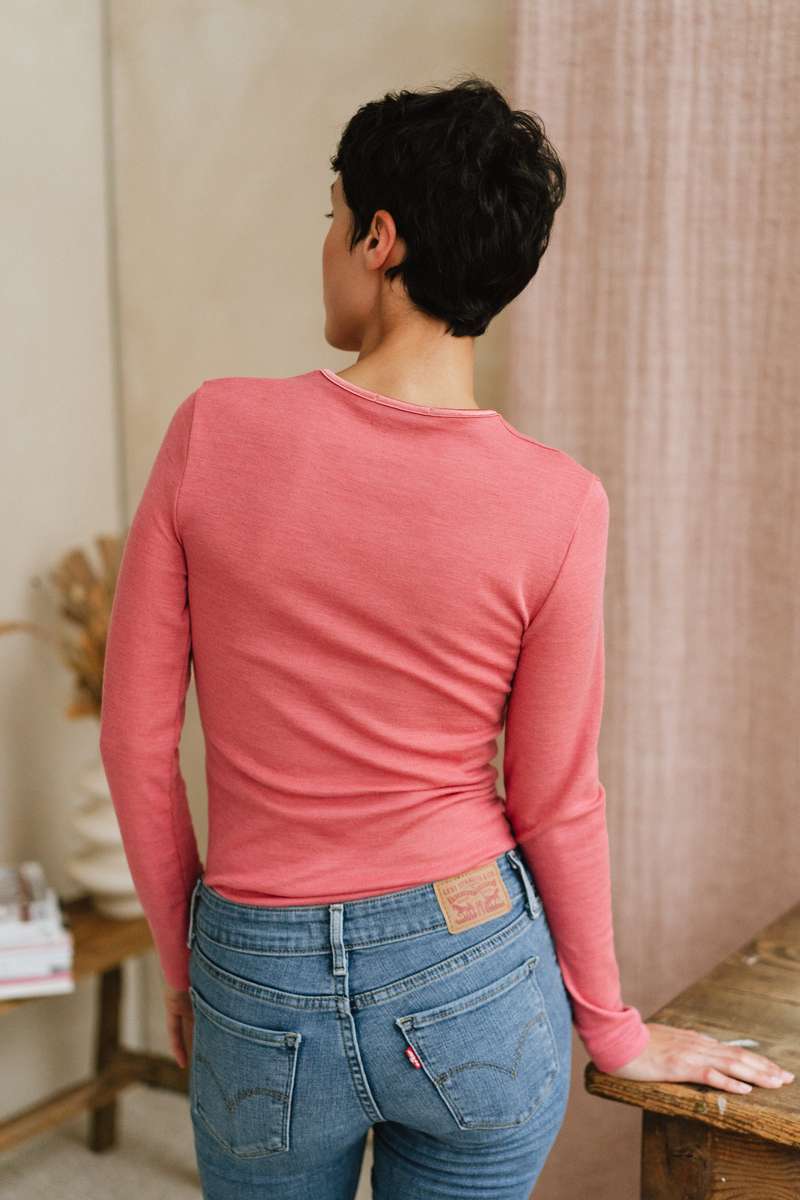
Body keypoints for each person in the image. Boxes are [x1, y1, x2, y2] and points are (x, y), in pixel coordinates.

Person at [99, 75, 793, 1199]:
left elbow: (135, 746)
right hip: (472, 963)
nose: (325, 244)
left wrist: (196, 976)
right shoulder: (558, 503)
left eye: (332, 216)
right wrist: (612, 1028)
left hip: (257, 973)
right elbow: (556, 798)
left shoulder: (213, 430)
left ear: (379, 239)